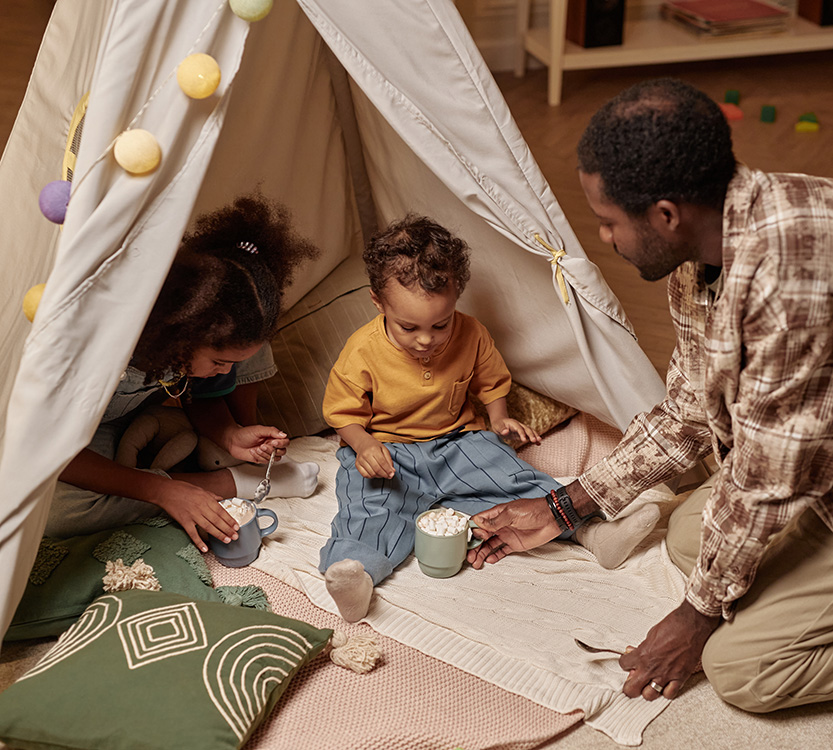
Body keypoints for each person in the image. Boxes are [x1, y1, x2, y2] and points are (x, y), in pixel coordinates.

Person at [468, 77, 833, 714]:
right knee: (692, 537)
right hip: (812, 466)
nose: (604, 239)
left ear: (665, 214)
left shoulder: (794, 279)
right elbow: (690, 409)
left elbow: (767, 481)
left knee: (741, 669)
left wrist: (697, 616)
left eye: (609, 223)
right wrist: (565, 506)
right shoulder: (702, 247)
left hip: (801, 473)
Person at [318, 215, 658, 622]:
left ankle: (593, 532)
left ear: (456, 297)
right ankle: (358, 577)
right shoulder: (362, 350)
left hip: (458, 442)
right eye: (408, 328)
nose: (426, 340)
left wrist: (499, 419)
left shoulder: (472, 334)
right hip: (389, 452)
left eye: (439, 325)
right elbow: (341, 411)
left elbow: (492, 380)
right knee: (367, 506)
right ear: (378, 303)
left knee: (514, 480)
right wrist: (364, 444)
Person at [50, 194, 321, 552]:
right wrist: (164, 490)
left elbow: (201, 394)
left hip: (128, 417)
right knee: (57, 512)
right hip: (73, 436)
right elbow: (57, 452)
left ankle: (223, 462)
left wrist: (230, 435)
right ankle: (230, 481)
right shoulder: (101, 342)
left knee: (245, 346)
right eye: (220, 363)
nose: (226, 371)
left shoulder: (200, 346)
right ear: (182, 333)